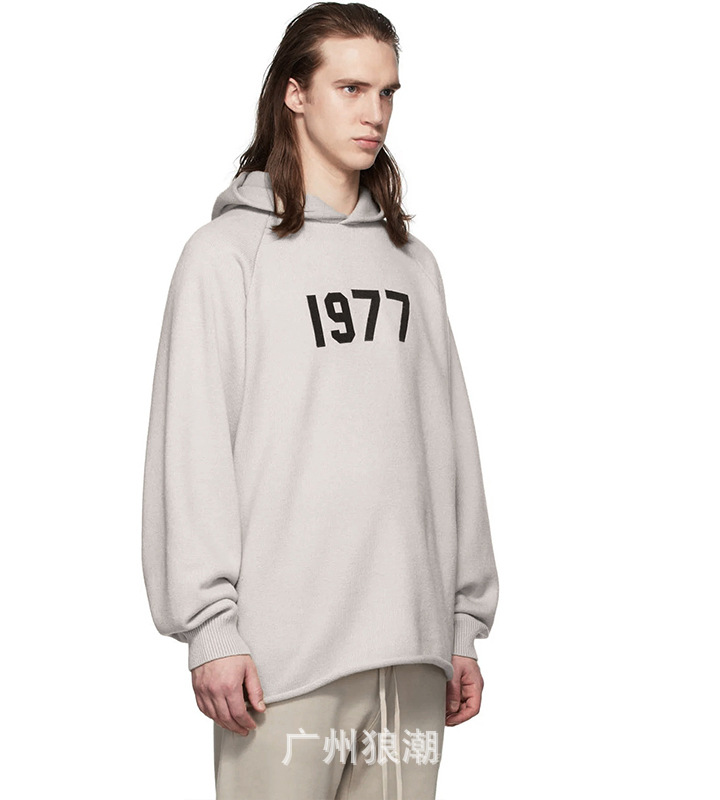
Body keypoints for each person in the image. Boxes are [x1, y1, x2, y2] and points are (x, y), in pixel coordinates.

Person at [141, 3, 499, 798]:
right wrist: (210, 630)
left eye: (388, 92)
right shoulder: (226, 256)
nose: (375, 113)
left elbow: (448, 444)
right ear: (295, 94)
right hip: (282, 662)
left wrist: (461, 624)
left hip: (411, 656)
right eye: (351, 88)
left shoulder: (413, 264)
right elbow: (192, 447)